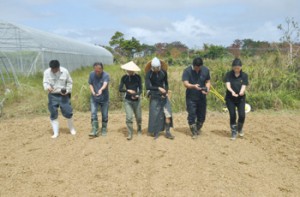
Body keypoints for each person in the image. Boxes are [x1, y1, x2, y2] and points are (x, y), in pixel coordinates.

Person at [43, 60, 76, 138]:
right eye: (52, 69)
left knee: (68, 112)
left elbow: (70, 82)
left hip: (64, 95)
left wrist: (67, 91)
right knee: (53, 113)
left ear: (58, 67)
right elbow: (45, 82)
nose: (53, 71)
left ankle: (72, 129)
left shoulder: (65, 71)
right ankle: (56, 133)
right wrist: (48, 87)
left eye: (55, 69)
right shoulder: (47, 72)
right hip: (53, 95)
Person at [145, 57, 174, 140]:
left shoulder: (164, 72)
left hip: (164, 95)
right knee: (155, 114)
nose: (157, 70)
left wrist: (166, 92)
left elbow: (166, 84)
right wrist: (158, 88)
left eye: (158, 68)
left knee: (168, 113)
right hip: (154, 95)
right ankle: (156, 131)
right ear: (152, 67)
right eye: (155, 68)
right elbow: (148, 86)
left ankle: (168, 132)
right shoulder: (148, 74)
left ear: (160, 66)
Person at [182, 57, 211, 139]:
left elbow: (208, 81)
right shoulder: (187, 71)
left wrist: (207, 89)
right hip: (191, 97)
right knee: (192, 114)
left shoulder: (205, 70)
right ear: (193, 65)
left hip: (202, 97)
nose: (198, 69)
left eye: (199, 68)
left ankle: (197, 128)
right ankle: (194, 132)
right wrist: (193, 86)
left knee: (202, 117)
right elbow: (185, 83)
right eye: (196, 68)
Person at [225, 58, 249, 140]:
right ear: (232, 67)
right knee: (232, 115)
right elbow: (228, 85)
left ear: (241, 67)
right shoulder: (228, 74)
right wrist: (232, 92)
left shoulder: (244, 75)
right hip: (230, 98)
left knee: (242, 115)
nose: (236, 69)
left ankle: (240, 128)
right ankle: (234, 132)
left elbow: (244, 86)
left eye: (238, 68)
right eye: (235, 68)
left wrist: (241, 92)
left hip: (240, 98)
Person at [119, 61, 142, 140]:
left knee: (138, 117)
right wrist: (128, 90)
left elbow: (141, 89)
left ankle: (139, 129)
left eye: (131, 70)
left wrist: (137, 94)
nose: (129, 71)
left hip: (137, 100)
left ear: (134, 70)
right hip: (127, 100)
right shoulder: (124, 77)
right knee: (129, 117)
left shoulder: (138, 77)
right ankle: (130, 133)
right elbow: (120, 89)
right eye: (128, 70)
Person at [88, 62, 110, 137]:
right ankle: (95, 129)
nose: (97, 72)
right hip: (94, 98)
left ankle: (104, 128)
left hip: (104, 98)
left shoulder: (106, 75)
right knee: (93, 113)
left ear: (102, 69)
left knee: (104, 114)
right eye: (95, 70)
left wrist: (101, 90)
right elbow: (90, 84)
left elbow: (105, 84)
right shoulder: (91, 74)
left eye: (98, 71)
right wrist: (93, 91)